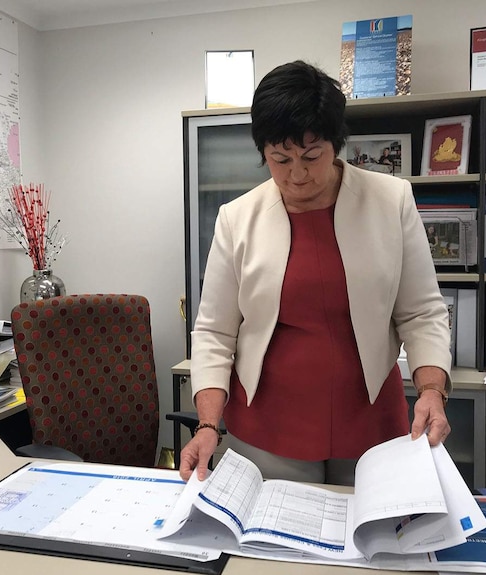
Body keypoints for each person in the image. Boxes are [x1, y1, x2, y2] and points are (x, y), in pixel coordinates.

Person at [179, 60, 452, 484]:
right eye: (279, 159)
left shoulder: (390, 200)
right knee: (274, 550)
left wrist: (432, 389)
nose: (298, 174)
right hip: (268, 428)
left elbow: (421, 313)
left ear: (336, 144)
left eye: (311, 156)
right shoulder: (238, 218)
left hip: (371, 420)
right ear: (263, 153)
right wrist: (209, 425)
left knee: (370, 544)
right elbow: (215, 332)